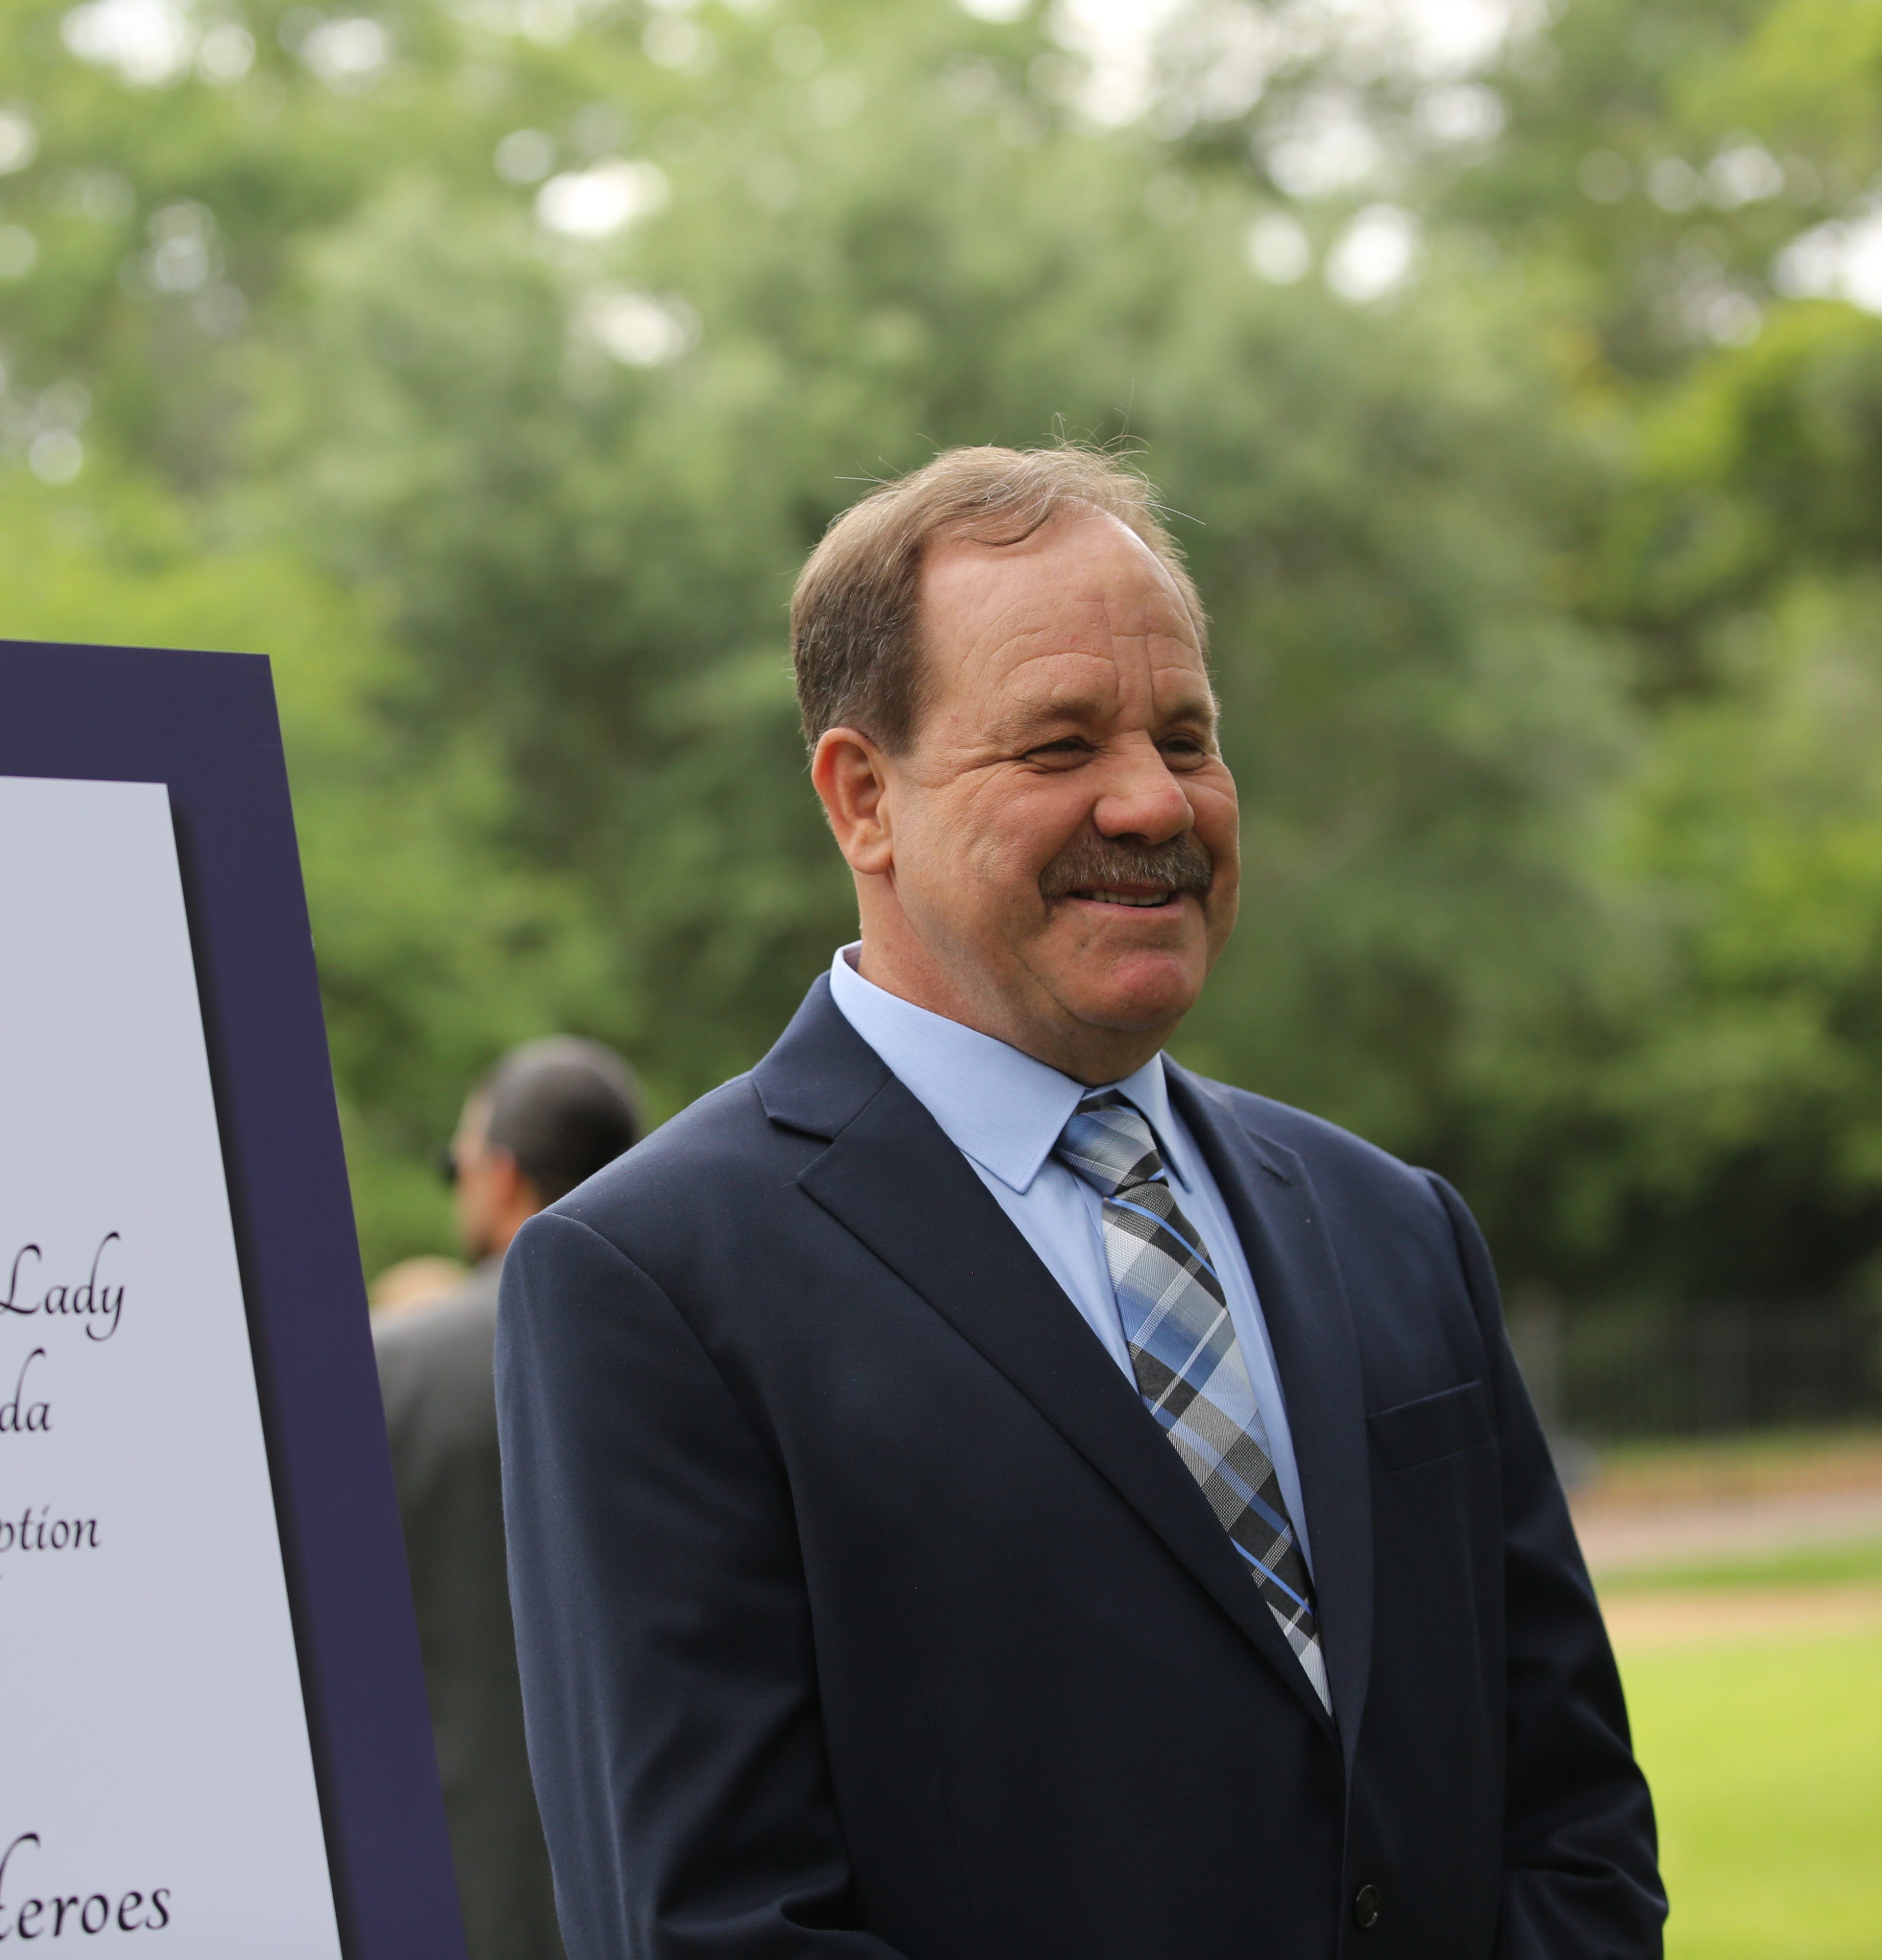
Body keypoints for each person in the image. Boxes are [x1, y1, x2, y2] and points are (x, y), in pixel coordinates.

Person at [497, 446, 1663, 1958]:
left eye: (1187, 735)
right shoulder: (648, 1283)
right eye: (1059, 746)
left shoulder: (1398, 1229)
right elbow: (716, 1924)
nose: (1150, 800)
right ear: (864, 800)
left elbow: (1571, 1816)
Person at [378, 1037, 646, 1960]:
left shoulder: (393, 1376)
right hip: (672, 1885)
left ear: (498, 1178)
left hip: (458, 1888)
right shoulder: (711, 1342)